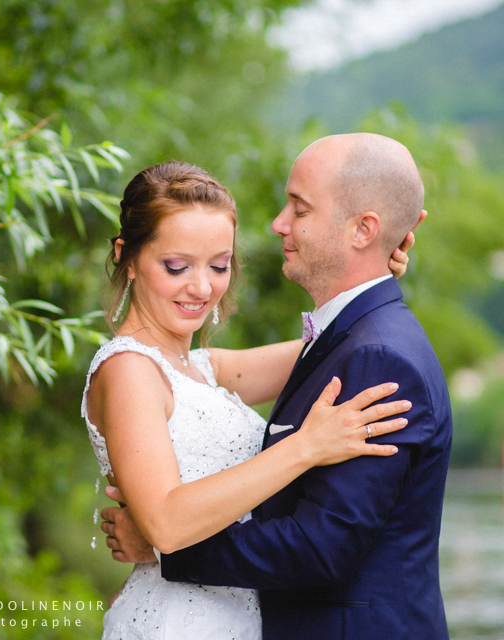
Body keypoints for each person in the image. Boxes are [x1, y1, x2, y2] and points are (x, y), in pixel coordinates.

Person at [101, 134, 450, 640]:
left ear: (363, 229)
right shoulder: (132, 371)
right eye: (177, 266)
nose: (202, 287)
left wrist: (371, 276)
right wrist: (306, 447)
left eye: (219, 266)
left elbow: (318, 545)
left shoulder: (366, 354)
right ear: (128, 258)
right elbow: (170, 520)